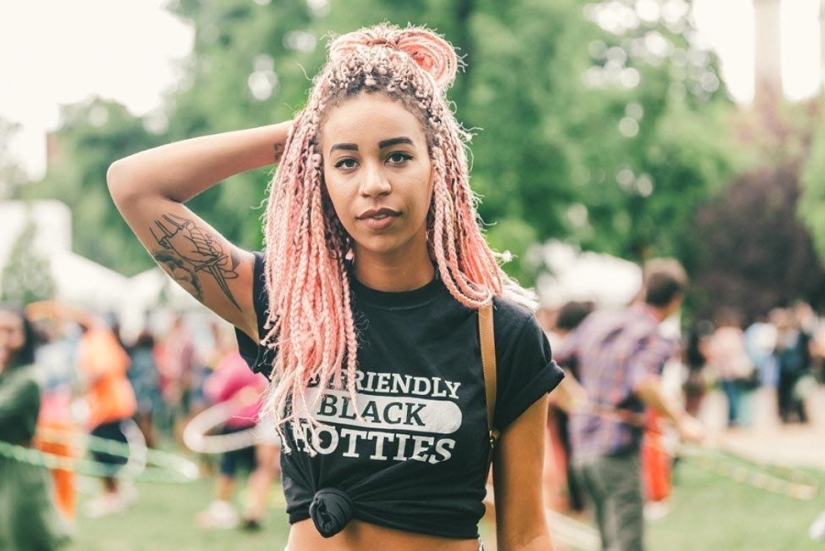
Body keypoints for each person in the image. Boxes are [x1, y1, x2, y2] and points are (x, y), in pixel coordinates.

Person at [108, 23, 563, 550]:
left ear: (438, 166)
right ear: (318, 175)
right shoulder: (289, 305)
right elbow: (133, 184)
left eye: (397, 155)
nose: (373, 183)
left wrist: (343, 131)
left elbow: (527, 534)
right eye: (346, 162)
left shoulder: (502, 334)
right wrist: (307, 132)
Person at [553, 259, 705, 551]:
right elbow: (644, 381)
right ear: (675, 300)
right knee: (626, 544)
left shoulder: (599, 320)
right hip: (616, 453)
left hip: (583, 452)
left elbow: (551, 361)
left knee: (608, 543)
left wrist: (575, 400)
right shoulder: (655, 336)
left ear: (644, 289)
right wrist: (683, 420)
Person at [0, 305, 72, 550]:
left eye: (10, 331)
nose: (2, 338)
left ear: (25, 336)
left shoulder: (29, 378)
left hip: (18, 471)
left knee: (23, 537)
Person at [195, 348, 273, 530]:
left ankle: (222, 508)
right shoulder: (261, 361)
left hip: (236, 422)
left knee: (228, 467)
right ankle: (255, 511)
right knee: (258, 468)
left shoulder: (232, 363)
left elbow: (215, 390)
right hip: (257, 422)